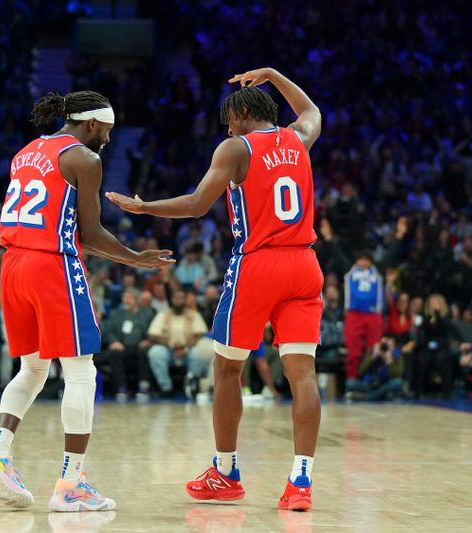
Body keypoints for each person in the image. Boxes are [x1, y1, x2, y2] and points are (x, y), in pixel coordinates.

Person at [107, 67, 323, 511]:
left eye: (230, 120)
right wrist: (274, 75)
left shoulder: (236, 148)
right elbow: (311, 110)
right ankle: (300, 481)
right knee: (303, 375)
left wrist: (146, 208)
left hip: (258, 264)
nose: (226, 129)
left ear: (244, 112)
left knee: (228, 369)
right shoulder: (298, 139)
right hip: (305, 263)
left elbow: (196, 204)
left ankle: (225, 472)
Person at [0, 90, 174, 512]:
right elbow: (89, 234)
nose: (108, 138)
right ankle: (71, 483)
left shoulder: (26, 152)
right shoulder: (85, 158)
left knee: (32, 369)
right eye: (107, 130)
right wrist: (136, 259)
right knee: (81, 372)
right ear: (90, 125)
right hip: (51, 267)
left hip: (12, 265)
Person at [145, 289, 210, 395]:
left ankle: (190, 385)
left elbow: (200, 334)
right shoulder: (163, 314)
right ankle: (166, 388)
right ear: (171, 300)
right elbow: (153, 335)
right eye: (176, 298)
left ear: (185, 300)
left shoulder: (194, 315)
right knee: (155, 352)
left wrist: (185, 347)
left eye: (181, 298)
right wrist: (171, 346)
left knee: (199, 352)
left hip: (188, 350)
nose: (178, 301)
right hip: (168, 350)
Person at [343, 252, 384, 384]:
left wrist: (399, 237)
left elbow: (389, 256)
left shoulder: (377, 271)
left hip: (373, 314)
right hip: (354, 314)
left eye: (367, 259)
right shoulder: (350, 270)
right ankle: (352, 380)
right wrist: (329, 239)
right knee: (353, 352)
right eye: (361, 259)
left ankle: (370, 380)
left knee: (373, 351)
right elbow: (339, 256)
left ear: (371, 262)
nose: (364, 262)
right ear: (356, 261)